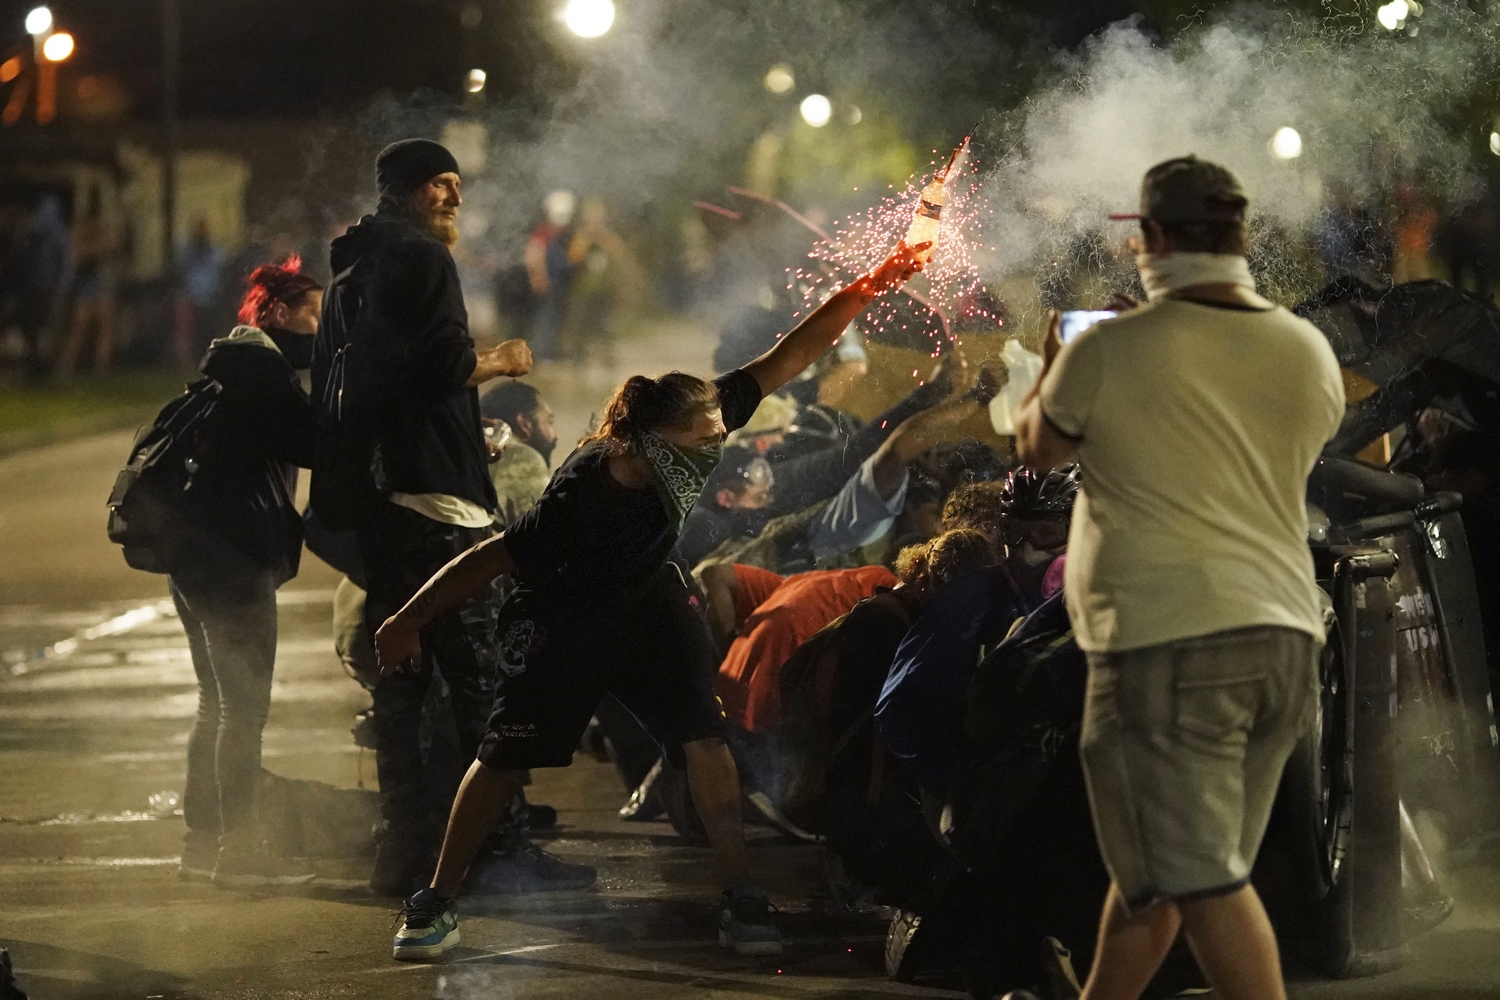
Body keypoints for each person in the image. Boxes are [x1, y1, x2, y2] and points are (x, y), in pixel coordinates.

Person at [374, 239, 930, 961]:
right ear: (651, 442)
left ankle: (739, 895)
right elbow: (492, 557)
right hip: (566, 618)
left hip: (648, 603)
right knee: (504, 758)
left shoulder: (698, 419)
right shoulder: (585, 493)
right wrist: (404, 620)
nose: (716, 444)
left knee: (704, 737)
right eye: (701, 439)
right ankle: (436, 901)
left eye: (716, 432)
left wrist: (874, 281)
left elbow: (792, 351)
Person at [1008, 156, 1345, 1000]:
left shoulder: (1114, 347)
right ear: (1240, 236)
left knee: (1199, 877)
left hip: (1166, 643)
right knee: (1165, 868)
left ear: (1149, 238)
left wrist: (1055, 362)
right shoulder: (1306, 347)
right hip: (1285, 638)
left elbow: (1036, 451)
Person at [316, 138, 558, 897]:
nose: (452, 197)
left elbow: (356, 378)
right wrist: (502, 361)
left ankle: (401, 845)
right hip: (440, 503)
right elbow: (441, 365)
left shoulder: (349, 272)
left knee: (400, 676)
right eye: (438, 185)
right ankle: (497, 844)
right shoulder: (424, 260)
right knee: (481, 681)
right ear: (405, 192)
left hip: (379, 504)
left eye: (456, 184)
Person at [170, 257, 321, 887]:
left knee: (215, 703)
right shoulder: (264, 374)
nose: (323, 326)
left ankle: (201, 843)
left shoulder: (228, 366)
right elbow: (317, 446)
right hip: (232, 564)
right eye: (315, 314)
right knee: (242, 713)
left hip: (192, 560)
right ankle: (241, 853)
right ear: (280, 314)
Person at [479, 379, 559, 526]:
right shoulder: (522, 458)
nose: (554, 435)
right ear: (524, 424)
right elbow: (549, 531)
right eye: (549, 421)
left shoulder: (472, 451)